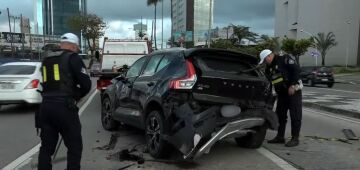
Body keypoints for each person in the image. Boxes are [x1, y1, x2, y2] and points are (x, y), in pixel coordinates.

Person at [38, 33, 91, 170]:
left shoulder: (46, 58)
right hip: (64, 107)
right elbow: (86, 85)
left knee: (46, 148)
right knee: (74, 146)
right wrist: (77, 95)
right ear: (74, 46)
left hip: (45, 107)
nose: (77, 50)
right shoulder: (73, 58)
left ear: (61, 44)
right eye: (77, 48)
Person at [259, 49, 303, 147]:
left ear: (269, 56)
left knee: (295, 115)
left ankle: (295, 138)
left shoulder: (284, 59)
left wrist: (292, 85)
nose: (265, 62)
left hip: (293, 92)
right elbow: (268, 81)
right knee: (280, 116)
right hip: (282, 94)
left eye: (265, 60)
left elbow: (296, 70)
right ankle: (280, 137)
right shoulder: (269, 67)